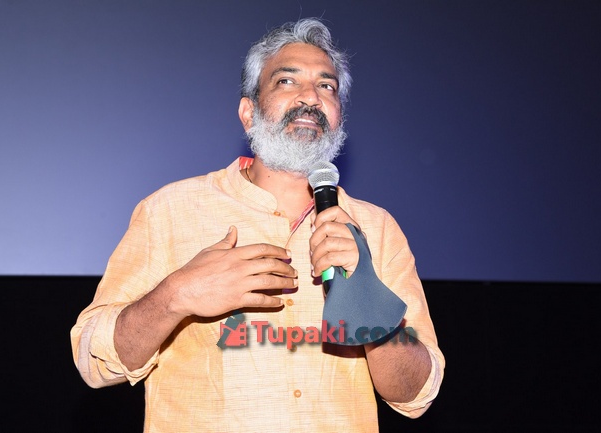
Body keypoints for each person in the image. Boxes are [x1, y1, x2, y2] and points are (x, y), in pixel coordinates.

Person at [71, 18, 444, 432]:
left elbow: (415, 394)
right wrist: (176, 295)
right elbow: (93, 361)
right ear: (249, 113)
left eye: (327, 86)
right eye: (287, 81)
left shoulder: (377, 228)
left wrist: (368, 297)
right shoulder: (170, 211)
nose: (311, 97)